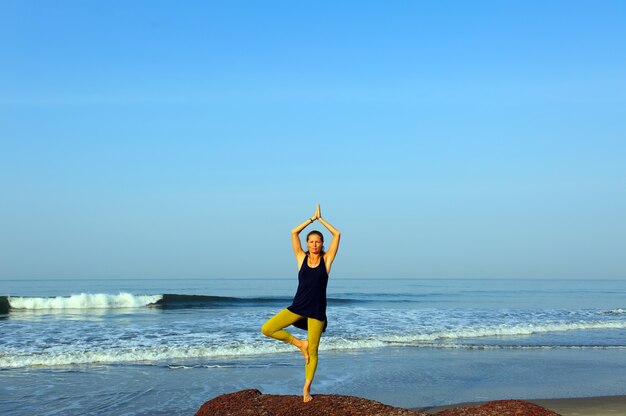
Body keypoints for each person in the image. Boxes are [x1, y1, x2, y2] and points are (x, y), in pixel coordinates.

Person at [261, 204, 341, 403]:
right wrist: (311, 219)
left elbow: (338, 234)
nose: (314, 244)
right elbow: (293, 232)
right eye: (311, 241)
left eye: (317, 241)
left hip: (316, 311)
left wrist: (322, 220)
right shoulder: (300, 258)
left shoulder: (327, 260)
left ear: (322, 244)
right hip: (298, 307)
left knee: (313, 351)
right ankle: (299, 344)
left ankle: (306, 389)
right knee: (267, 328)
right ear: (307, 243)